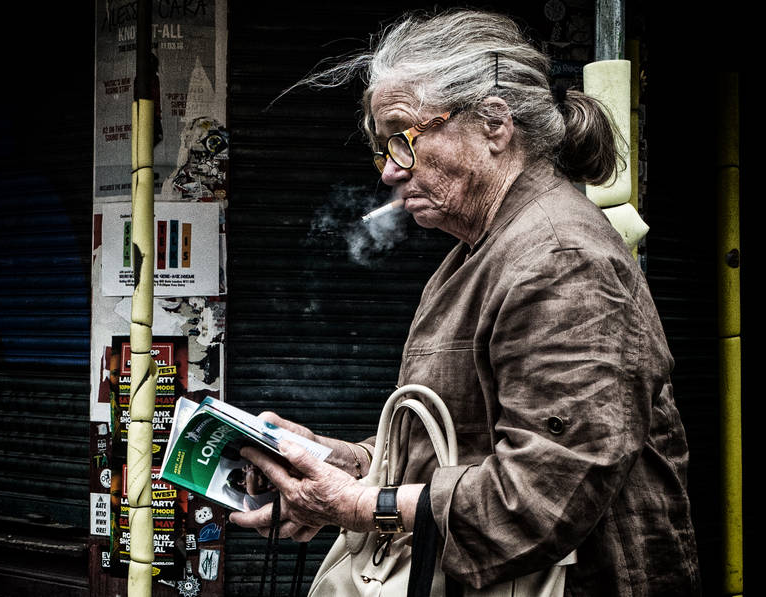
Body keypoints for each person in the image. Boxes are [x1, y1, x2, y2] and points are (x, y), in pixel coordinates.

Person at [229, 8, 700, 595]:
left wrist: (358, 506)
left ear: (493, 123)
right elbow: (469, 437)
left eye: (401, 139)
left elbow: (540, 494)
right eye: (381, 151)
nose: (389, 173)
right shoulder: (479, 252)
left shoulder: (559, 259)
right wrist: (349, 463)